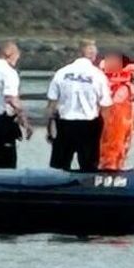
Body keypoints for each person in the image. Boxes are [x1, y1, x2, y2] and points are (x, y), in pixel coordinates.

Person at [46, 39, 112, 172]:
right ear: (93, 56)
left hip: (65, 124)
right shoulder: (98, 75)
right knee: (88, 167)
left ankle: (55, 190)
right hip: (88, 126)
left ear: (78, 53)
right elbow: (105, 106)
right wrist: (106, 133)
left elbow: (51, 106)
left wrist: (49, 130)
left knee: (59, 166)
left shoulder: (61, 73)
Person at [98, 52, 134, 170]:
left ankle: (111, 167)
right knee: (114, 149)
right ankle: (110, 169)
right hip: (116, 125)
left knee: (114, 148)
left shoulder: (108, 86)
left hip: (115, 124)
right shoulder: (122, 89)